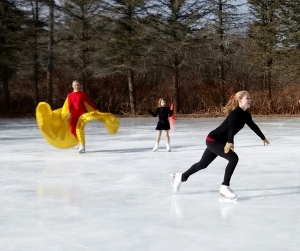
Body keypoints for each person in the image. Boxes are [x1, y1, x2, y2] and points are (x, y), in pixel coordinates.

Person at [170, 90, 270, 201]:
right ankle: (224, 188)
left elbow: (253, 125)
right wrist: (230, 142)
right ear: (239, 100)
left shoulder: (246, 114)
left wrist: (262, 137)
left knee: (202, 164)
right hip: (213, 140)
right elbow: (231, 128)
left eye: (250, 98)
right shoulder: (235, 113)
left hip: (218, 141)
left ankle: (181, 177)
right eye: (247, 98)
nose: (250, 100)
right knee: (233, 158)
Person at [66, 80, 99, 153]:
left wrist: (96, 110)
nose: (76, 86)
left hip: (82, 114)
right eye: (75, 85)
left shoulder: (83, 94)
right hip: (74, 115)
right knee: (72, 130)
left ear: (80, 86)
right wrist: (69, 113)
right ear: (72, 86)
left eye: (78, 85)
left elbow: (89, 102)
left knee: (79, 129)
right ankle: (79, 143)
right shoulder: (70, 95)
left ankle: (82, 146)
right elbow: (70, 105)